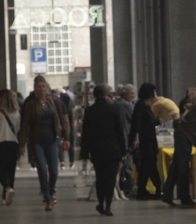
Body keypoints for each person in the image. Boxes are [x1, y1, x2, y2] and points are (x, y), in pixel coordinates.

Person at [19, 76, 71, 211]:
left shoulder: (56, 102)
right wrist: (22, 143)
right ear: (35, 89)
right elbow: (24, 124)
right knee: (42, 168)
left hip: (53, 138)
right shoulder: (30, 104)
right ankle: (47, 196)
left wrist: (67, 137)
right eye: (38, 87)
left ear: (47, 87)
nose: (41, 89)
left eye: (43, 86)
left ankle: (51, 189)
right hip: (36, 139)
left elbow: (64, 120)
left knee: (54, 170)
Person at [81, 85, 128, 216]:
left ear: (94, 95)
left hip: (97, 150)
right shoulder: (114, 109)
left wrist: (84, 153)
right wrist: (123, 151)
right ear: (106, 95)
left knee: (100, 178)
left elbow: (86, 134)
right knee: (111, 178)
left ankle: (100, 204)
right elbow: (120, 132)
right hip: (113, 150)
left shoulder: (90, 111)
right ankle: (108, 206)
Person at [130, 83, 164, 199]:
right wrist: (137, 137)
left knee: (145, 167)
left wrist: (161, 121)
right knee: (150, 164)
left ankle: (142, 190)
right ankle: (158, 188)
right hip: (144, 141)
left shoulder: (146, 106)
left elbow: (148, 123)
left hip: (149, 139)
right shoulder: (140, 105)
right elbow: (137, 122)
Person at [0, 89, 21, 204]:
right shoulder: (16, 113)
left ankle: (8, 188)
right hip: (13, 143)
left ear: (1, 99)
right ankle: (6, 195)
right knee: (10, 170)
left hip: (0, 143)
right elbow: (17, 129)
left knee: (0, 170)